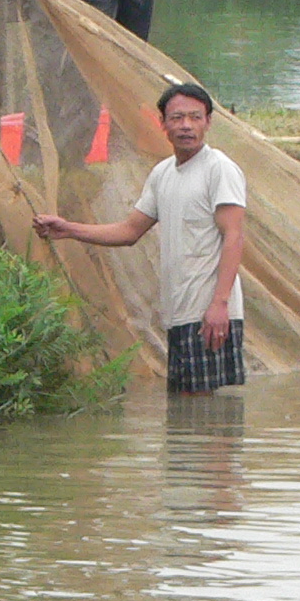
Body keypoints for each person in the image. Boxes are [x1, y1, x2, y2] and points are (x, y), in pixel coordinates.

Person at [33, 82, 246, 393]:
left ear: (208, 122)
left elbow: (234, 236)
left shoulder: (219, 169)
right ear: (162, 124)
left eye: (195, 117)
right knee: (188, 408)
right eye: (176, 118)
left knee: (205, 413)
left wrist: (219, 304)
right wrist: (68, 229)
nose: (186, 125)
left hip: (209, 309)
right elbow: (130, 231)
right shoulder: (163, 174)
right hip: (179, 311)